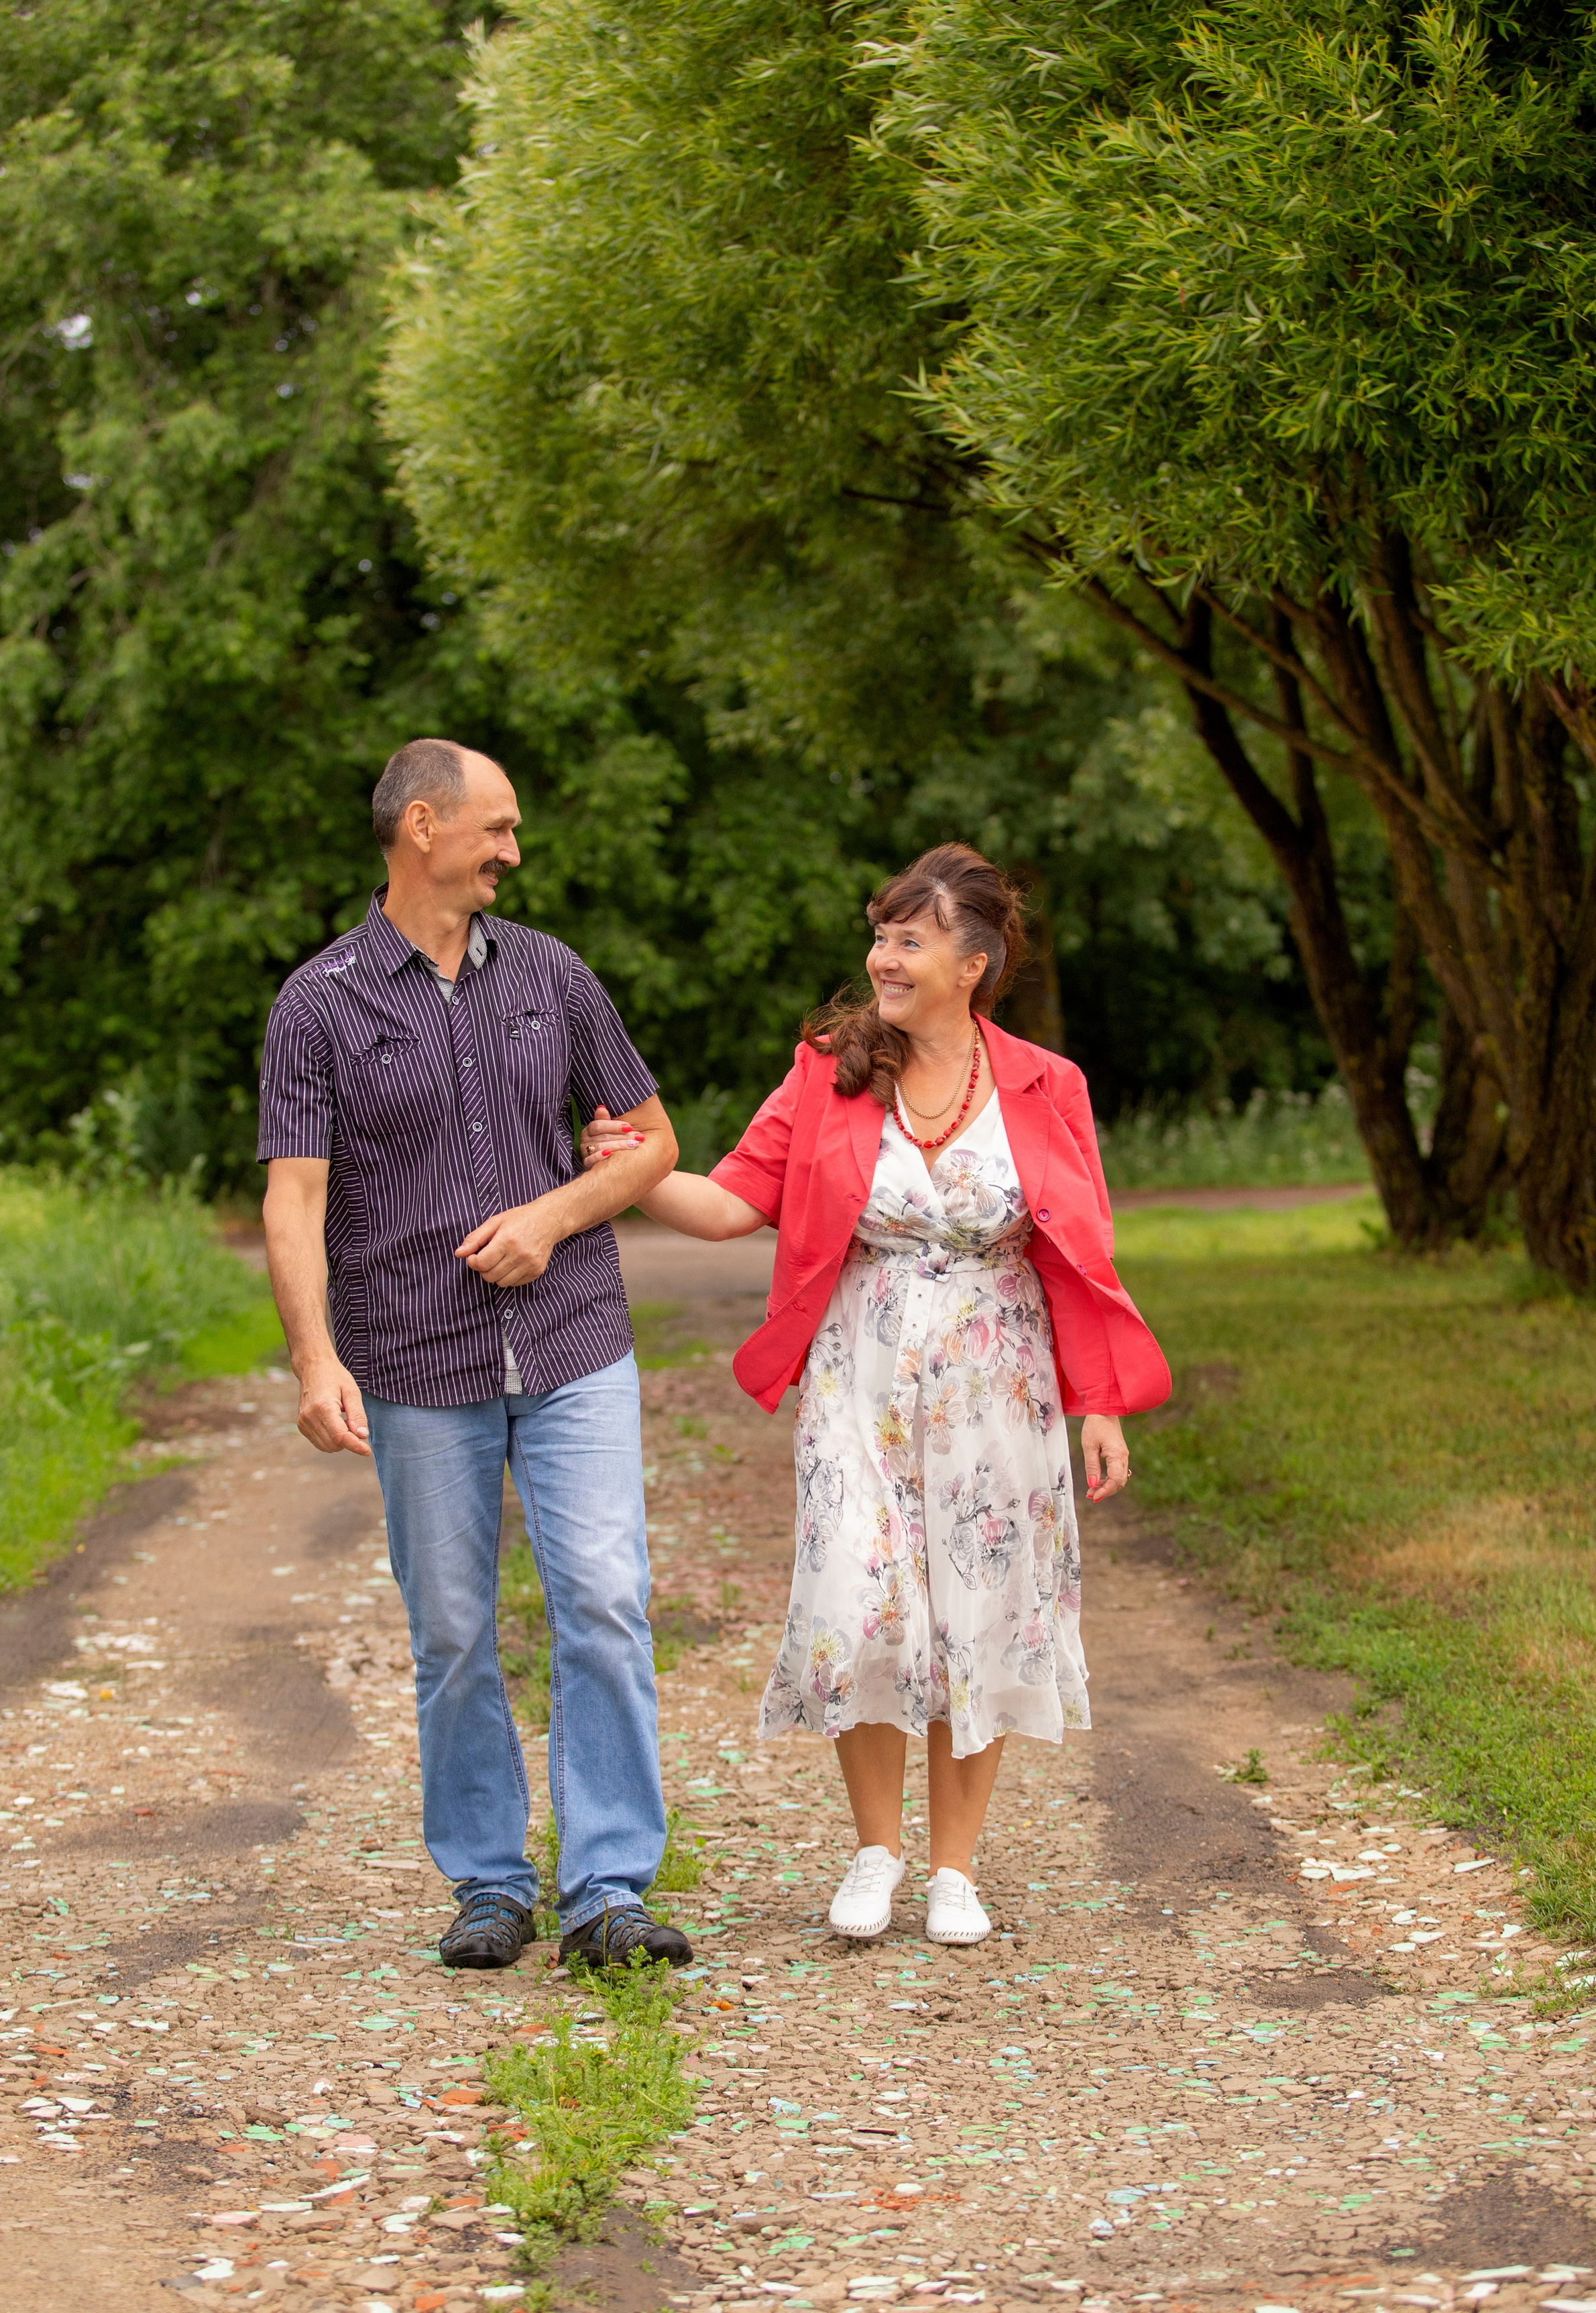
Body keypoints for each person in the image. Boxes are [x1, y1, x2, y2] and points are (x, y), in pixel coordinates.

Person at [582, 844, 1170, 1946]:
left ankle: (955, 1870)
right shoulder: (831, 1069)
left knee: (980, 1608)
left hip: (1002, 1384)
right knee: (861, 1600)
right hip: (862, 1374)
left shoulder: (1050, 1086)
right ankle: (875, 1852)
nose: (882, 958)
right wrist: (629, 1167)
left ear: (975, 963)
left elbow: (1080, 1255)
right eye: (881, 935)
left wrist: (1102, 1402)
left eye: (910, 939)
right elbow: (727, 1205)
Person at [257, 735, 693, 1974]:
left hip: (571, 1343)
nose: (513, 849)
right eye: (496, 827)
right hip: (410, 1361)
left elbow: (653, 1143)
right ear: (424, 829)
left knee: (604, 1603)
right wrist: (313, 1360)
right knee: (451, 1630)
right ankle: (491, 1885)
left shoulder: (553, 977)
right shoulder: (320, 1002)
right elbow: (294, 1200)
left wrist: (554, 1217)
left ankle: (607, 1888)